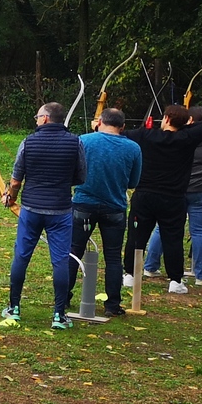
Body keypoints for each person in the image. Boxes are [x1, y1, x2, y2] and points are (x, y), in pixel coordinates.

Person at [0, 102, 85, 330]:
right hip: (60, 210)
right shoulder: (76, 142)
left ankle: (14, 308)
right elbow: (81, 176)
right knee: (60, 261)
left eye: (38, 116)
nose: (36, 120)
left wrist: (11, 196)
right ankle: (58, 315)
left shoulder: (29, 141)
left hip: (32, 209)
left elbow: (16, 180)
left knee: (22, 256)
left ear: (46, 119)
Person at [124, 104, 202, 294]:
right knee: (173, 239)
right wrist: (185, 125)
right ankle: (175, 281)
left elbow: (121, 132)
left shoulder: (146, 135)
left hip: (144, 196)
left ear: (166, 118)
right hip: (173, 199)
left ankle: (130, 275)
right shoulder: (187, 138)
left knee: (136, 235)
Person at [66, 108, 141, 317]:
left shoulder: (84, 140)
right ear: (123, 126)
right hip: (114, 208)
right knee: (113, 256)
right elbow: (134, 181)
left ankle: (63, 298)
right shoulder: (133, 148)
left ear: (99, 121)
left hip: (83, 204)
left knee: (74, 251)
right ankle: (112, 305)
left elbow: (74, 172)